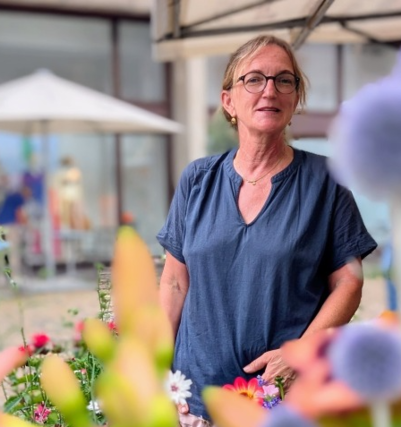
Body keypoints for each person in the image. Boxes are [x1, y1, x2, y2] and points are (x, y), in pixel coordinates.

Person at [157, 35, 377, 426]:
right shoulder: (198, 179)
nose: (270, 90)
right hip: (195, 399)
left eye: (284, 80)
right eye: (254, 79)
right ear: (229, 101)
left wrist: (301, 352)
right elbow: (174, 282)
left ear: (295, 100)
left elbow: (349, 282)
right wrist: (156, 369)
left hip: (279, 401)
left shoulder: (326, 182)